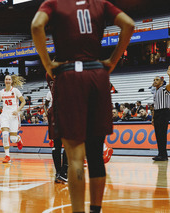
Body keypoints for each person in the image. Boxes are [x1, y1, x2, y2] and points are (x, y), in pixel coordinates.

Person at [31, 1, 134, 212]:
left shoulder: (54, 3)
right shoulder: (101, 3)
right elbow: (129, 24)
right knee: (96, 153)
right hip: (97, 74)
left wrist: (48, 63)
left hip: (69, 75)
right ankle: (96, 210)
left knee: (75, 157)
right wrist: (113, 60)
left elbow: (36, 26)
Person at [0, 75, 26, 163]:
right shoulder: (1, 92)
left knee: (13, 139)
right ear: (4, 81)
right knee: (5, 135)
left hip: (14, 116)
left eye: (9, 79)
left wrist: (18, 110)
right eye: (6, 79)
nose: (7, 81)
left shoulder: (15, 90)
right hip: (4, 115)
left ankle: (18, 139)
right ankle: (7, 156)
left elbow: (23, 101)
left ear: (11, 81)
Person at [44, 74, 68, 184]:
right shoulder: (66, 74)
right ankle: (63, 173)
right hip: (64, 111)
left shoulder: (50, 75)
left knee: (57, 145)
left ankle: (59, 173)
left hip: (54, 112)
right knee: (67, 144)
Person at [152, 70, 170, 161]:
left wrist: (169, 76)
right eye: (154, 80)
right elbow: (155, 105)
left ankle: (164, 155)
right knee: (158, 135)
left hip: (164, 112)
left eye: (157, 79)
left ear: (162, 82)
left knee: (162, 134)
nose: (155, 81)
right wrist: (152, 118)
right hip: (157, 113)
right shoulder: (155, 91)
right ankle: (160, 154)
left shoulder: (164, 88)